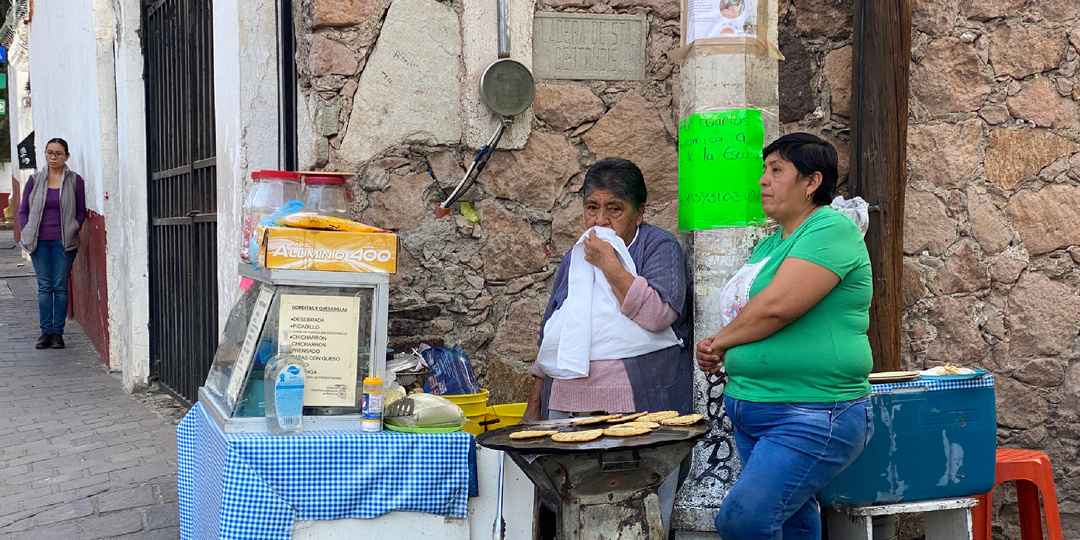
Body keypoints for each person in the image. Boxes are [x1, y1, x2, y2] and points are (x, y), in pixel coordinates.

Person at [695, 133, 874, 540]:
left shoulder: (831, 228)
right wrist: (722, 348)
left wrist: (720, 342)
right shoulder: (772, 244)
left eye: (776, 171)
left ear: (811, 182)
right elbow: (751, 312)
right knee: (791, 522)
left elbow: (778, 307)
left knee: (743, 520)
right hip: (755, 407)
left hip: (812, 411)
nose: (763, 180)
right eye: (764, 170)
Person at [523, 157, 694, 532]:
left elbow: (657, 317)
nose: (600, 221)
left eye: (614, 209)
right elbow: (554, 330)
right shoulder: (576, 255)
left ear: (639, 212)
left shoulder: (658, 247)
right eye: (592, 208)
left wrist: (611, 265)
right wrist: (535, 404)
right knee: (577, 516)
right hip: (567, 409)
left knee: (639, 516)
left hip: (638, 407)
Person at [18, 138, 86, 350]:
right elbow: (23, 210)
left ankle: (58, 333)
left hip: (64, 242)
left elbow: (81, 210)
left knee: (60, 287)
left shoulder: (75, 180)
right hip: (39, 242)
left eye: (58, 153)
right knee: (45, 288)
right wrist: (27, 229)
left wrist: (74, 226)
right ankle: (45, 332)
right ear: (45, 155)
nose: (53, 157)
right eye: (49, 153)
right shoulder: (34, 180)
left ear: (66, 156)